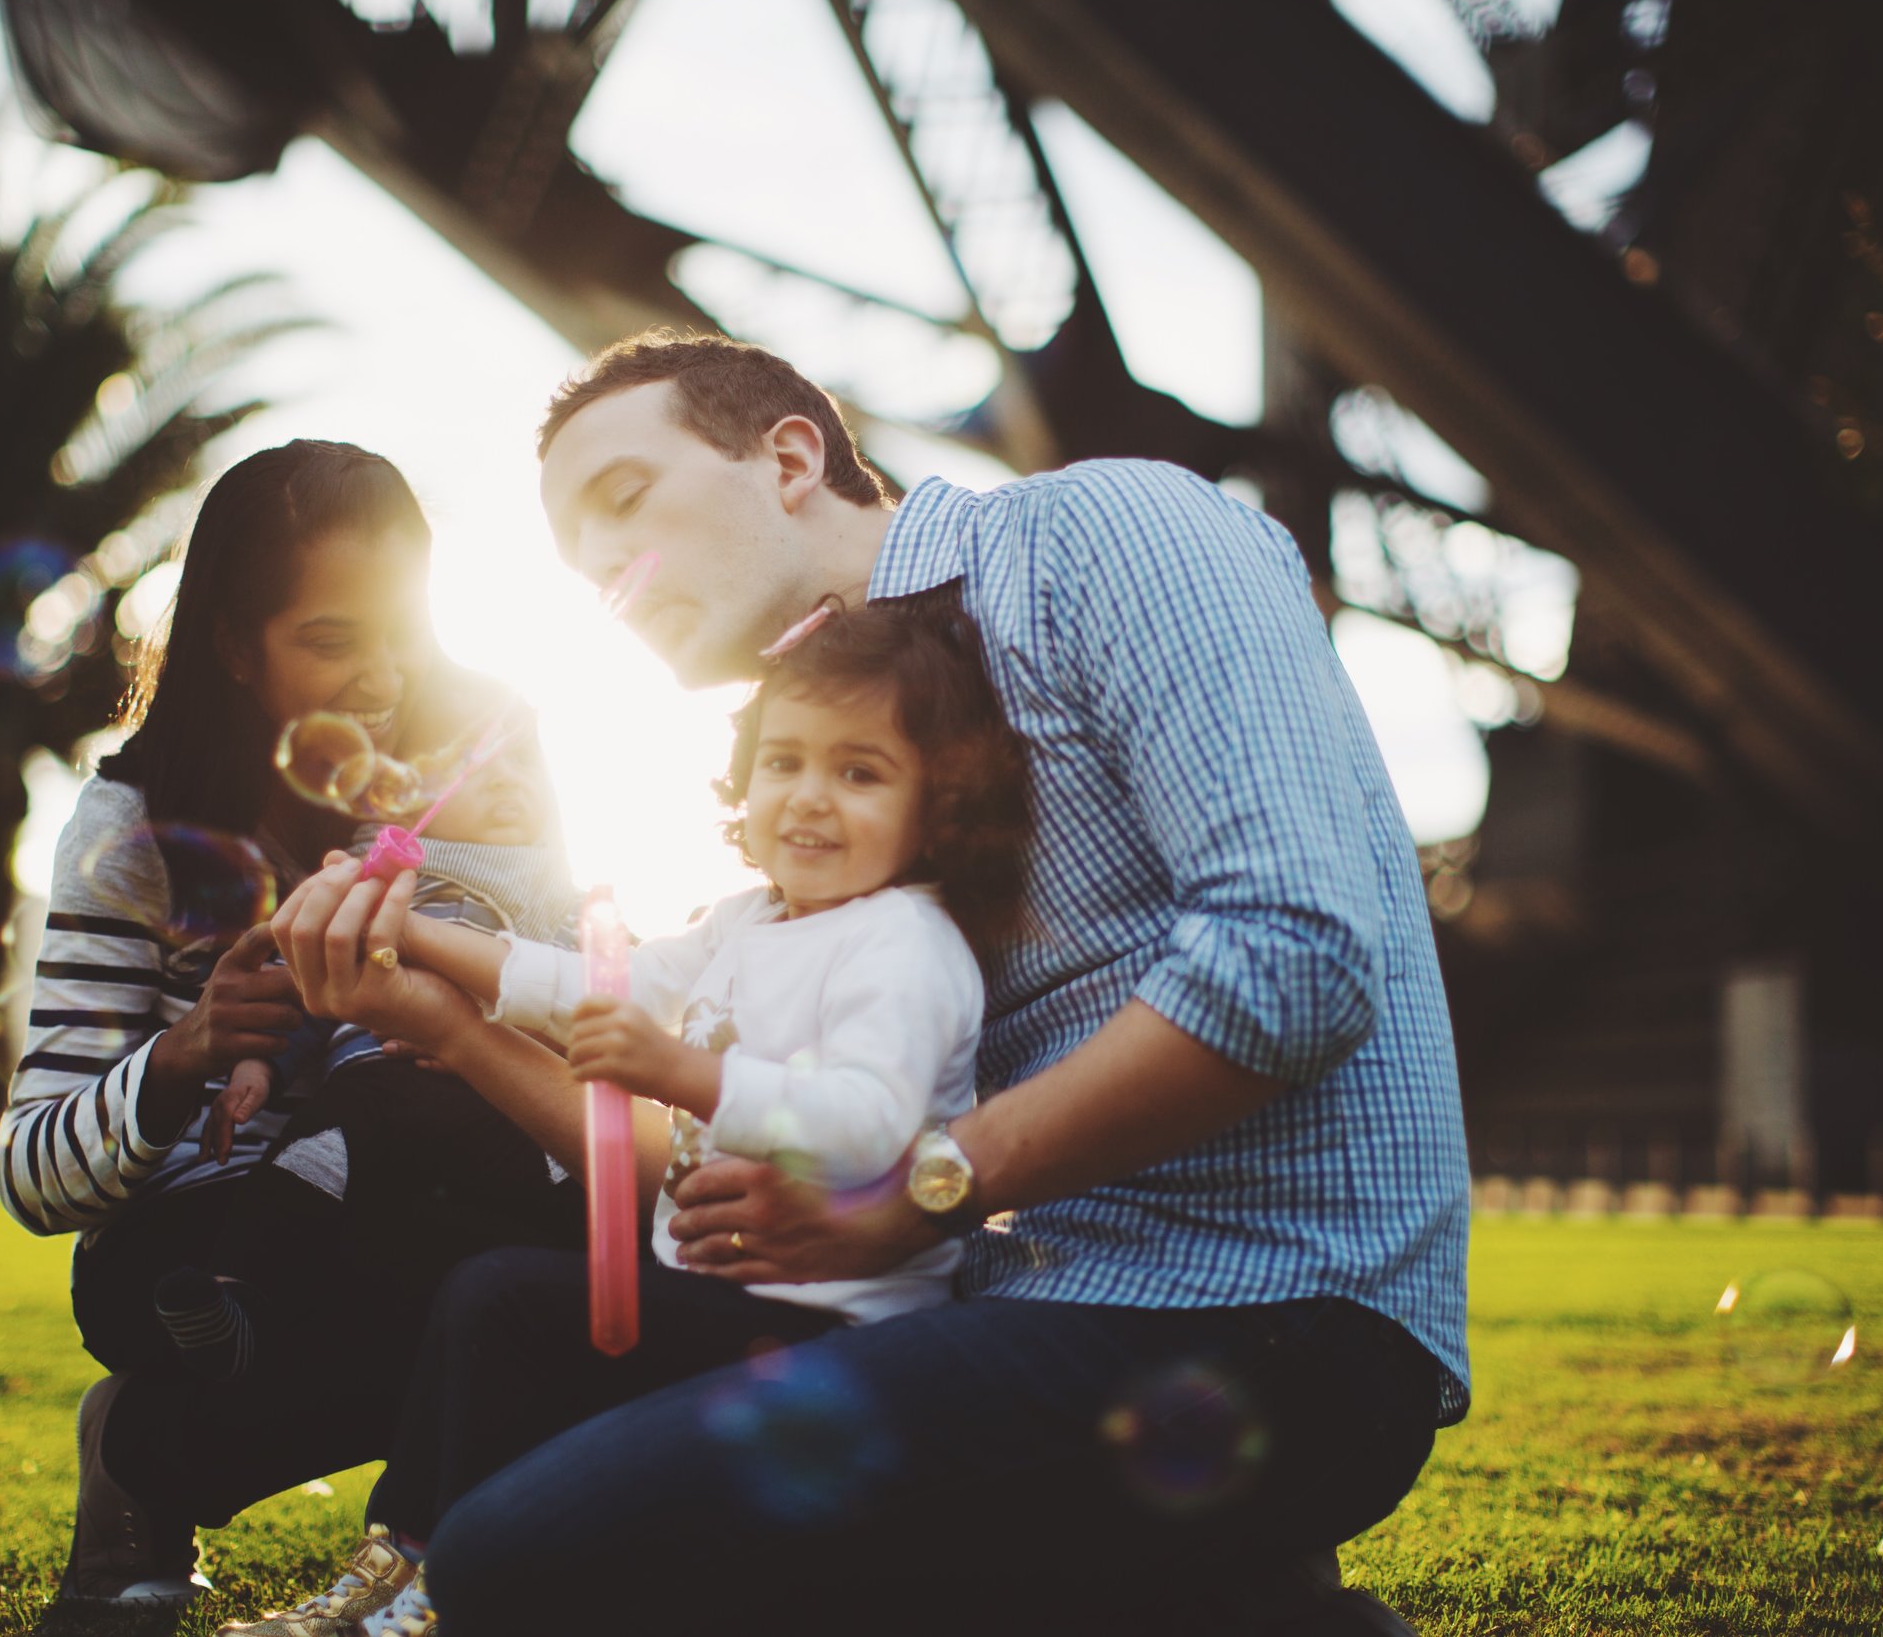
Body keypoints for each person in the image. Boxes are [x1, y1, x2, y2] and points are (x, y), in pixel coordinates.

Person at [271, 334, 1470, 1636]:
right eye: (576, 562)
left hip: (1268, 1314)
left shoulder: (1101, 533)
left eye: (622, 501)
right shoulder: (857, 771)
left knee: (520, 1564)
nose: (606, 577)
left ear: (790, 456)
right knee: (537, 1377)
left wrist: (925, 1184)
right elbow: (718, 1107)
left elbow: (1294, 958)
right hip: (1020, 1302)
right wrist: (435, 1009)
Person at [235, 600, 1035, 1636]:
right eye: (781, 762)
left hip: (834, 1332)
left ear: (941, 805)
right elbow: (589, 986)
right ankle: (400, 1557)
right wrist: (420, 936)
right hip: (713, 1297)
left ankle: (441, 1579)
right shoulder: (748, 922)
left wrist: (682, 1070)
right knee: (496, 1296)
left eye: (860, 771)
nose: (807, 798)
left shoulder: (904, 942)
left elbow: (871, 1124)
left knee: (505, 1298)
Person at [0, 439, 579, 1614]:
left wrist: (472, 1029)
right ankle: (147, 1451)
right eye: (329, 639)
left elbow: (566, 970)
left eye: (399, 631)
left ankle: (417, 1557)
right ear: (232, 645)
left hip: (431, 1174)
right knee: (458, 1303)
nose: (381, 679)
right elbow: (33, 1172)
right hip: (201, 1255)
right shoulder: (133, 827)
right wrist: (188, 1053)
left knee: (541, 1277)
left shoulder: (483, 754)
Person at [154, 696, 584, 1386]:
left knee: (574, 1175)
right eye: (480, 764)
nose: (510, 779)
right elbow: (310, 986)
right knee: (303, 1167)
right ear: (411, 793)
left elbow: (587, 998)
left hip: (503, 1093)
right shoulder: (380, 883)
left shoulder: (565, 903)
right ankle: (238, 1304)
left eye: (525, 761)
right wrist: (261, 1064)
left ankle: (603, 1295)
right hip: (373, 1089)